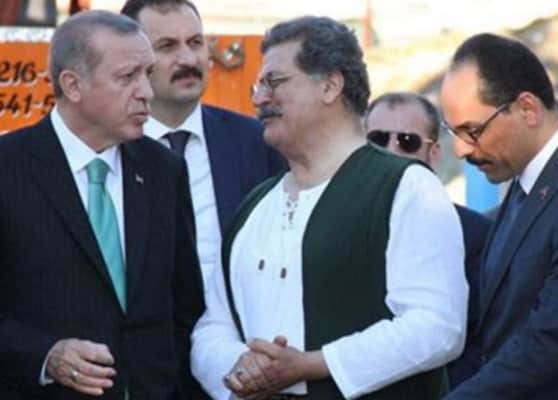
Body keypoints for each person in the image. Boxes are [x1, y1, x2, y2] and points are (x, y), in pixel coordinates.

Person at [191, 16, 468, 400]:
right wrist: (241, 368)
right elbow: (212, 327)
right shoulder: (255, 207)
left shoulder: (406, 188)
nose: (259, 99)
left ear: (330, 85)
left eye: (274, 82)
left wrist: (313, 365)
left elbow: (438, 325)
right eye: (258, 86)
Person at [0, 10, 204, 399]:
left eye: (148, 74)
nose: (146, 92)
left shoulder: (163, 170)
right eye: (128, 77)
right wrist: (45, 356)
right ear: (72, 85)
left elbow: (184, 304)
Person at [440, 33, 558, 399]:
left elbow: (553, 338)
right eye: (453, 132)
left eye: (472, 131)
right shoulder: (525, 182)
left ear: (527, 109)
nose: (461, 150)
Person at [120, 0, 284, 292]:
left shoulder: (257, 142)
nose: (188, 59)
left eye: (195, 43)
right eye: (167, 46)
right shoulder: (111, 147)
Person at [364, 92, 491, 387]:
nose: (391, 151)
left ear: (434, 153)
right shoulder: (333, 225)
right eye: (378, 140)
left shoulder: (476, 235)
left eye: (407, 141)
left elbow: (482, 343)